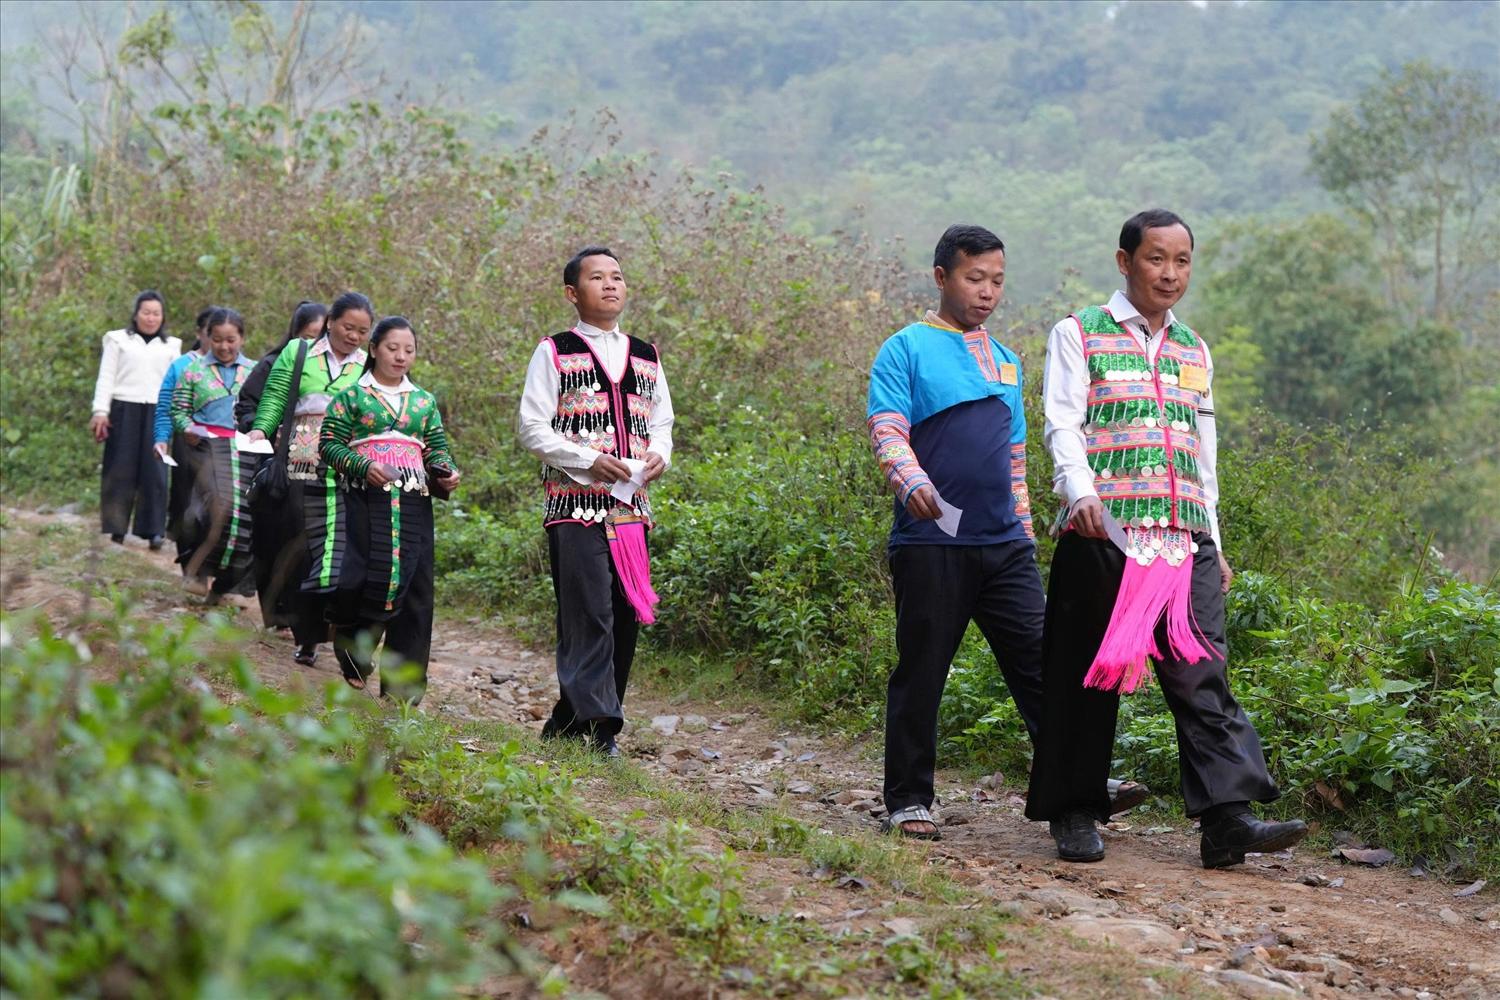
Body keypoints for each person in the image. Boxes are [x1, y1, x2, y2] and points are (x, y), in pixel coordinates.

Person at [1025, 209, 1307, 868]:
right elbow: (1062, 423)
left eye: (1182, 261)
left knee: (1203, 673)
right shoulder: (1079, 333)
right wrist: (1080, 492)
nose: (1170, 274)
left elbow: (1200, 450)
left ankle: (1227, 821)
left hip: (1184, 541)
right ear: (1125, 262)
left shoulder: (1193, 348)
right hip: (1106, 532)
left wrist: (1213, 535)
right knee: (1085, 675)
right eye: (1157, 259)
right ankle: (1073, 811)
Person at [865, 224, 1043, 840]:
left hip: (1004, 545)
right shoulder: (905, 348)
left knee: (1042, 664)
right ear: (942, 277)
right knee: (923, 669)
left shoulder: (1009, 360)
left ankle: (1074, 781)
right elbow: (888, 428)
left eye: (996, 281)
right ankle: (909, 799)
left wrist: (1024, 527)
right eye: (975, 278)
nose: (987, 291)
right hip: (931, 540)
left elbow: (1015, 455)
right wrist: (909, 482)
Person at [518, 245, 675, 757]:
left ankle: (570, 720)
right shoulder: (555, 350)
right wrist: (586, 459)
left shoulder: (646, 354)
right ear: (572, 292)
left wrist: (658, 457)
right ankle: (600, 729)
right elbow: (532, 426)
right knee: (589, 613)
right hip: (574, 505)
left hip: (631, 509)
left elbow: (662, 422)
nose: (610, 285)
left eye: (617, 277)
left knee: (625, 614)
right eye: (597, 278)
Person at [319, 317, 460, 702]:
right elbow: (329, 444)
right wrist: (364, 467)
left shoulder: (423, 401)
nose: (401, 356)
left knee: (416, 590)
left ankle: (403, 693)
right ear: (374, 350)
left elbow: (436, 448)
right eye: (393, 348)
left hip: (414, 500)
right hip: (367, 498)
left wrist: (445, 473)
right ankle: (352, 649)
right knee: (366, 576)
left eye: (409, 350)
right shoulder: (352, 396)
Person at [248, 292, 373, 666]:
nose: (354, 336)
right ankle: (307, 637)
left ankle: (332, 628)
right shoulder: (299, 353)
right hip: (299, 462)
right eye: (348, 327)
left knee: (337, 549)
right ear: (330, 321)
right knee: (302, 546)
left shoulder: (368, 365)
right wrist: (261, 429)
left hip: (347, 466)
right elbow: (274, 396)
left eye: (362, 331)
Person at [238, 301, 328, 631]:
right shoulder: (275, 364)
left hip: (317, 467)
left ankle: (304, 619)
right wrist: (266, 428)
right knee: (272, 537)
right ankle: (275, 610)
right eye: (308, 336)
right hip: (273, 463)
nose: (315, 344)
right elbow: (247, 404)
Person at [170, 307, 256, 600]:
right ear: (208, 338)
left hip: (245, 450)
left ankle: (226, 585)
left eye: (231, 339)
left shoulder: (255, 372)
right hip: (206, 449)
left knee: (245, 517)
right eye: (217, 339)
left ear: (242, 338)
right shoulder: (193, 371)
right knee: (213, 508)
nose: (224, 346)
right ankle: (197, 571)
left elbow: (266, 410)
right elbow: (179, 410)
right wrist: (187, 429)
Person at [90, 290, 181, 548]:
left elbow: (175, 385)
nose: (151, 318)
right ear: (136, 314)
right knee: (120, 468)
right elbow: (106, 377)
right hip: (123, 408)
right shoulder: (118, 341)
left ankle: (153, 530)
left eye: (156, 313)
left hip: (158, 411)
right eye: (146, 312)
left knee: (155, 471)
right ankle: (116, 526)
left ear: (162, 317)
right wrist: (100, 411)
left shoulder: (171, 346)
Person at [154, 307, 215, 558]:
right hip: (186, 443)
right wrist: (161, 438)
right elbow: (166, 406)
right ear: (199, 333)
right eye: (211, 333)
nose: (218, 341)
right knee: (185, 501)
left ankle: (212, 565)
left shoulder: (240, 369)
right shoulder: (181, 366)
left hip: (221, 445)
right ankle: (191, 565)